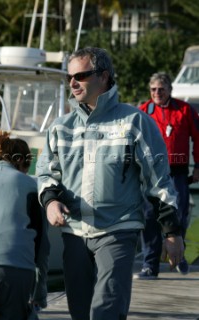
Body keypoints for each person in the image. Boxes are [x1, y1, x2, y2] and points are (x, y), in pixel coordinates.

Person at [36, 47, 184, 320]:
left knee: (106, 310)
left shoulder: (135, 122)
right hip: (74, 234)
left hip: (118, 230)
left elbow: (159, 182)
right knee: (80, 312)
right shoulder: (59, 127)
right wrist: (50, 201)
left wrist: (172, 233)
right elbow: (47, 175)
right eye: (70, 76)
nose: (72, 82)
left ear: (104, 77)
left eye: (80, 75)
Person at [134, 72, 199, 279]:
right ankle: (149, 265)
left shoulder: (185, 110)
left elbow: (198, 139)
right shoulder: (143, 111)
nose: (157, 93)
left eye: (161, 89)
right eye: (153, 89)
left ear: (170, 90)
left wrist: (198, 165)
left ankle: (178, 256)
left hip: (176, 173)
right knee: (149, 217)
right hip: (149, 175)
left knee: (178, 214)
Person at [0, 130, 49, 320]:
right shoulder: (30, 185)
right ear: (21, 161)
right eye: (27, 165)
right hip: (15, 264)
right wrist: (40, 292)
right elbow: (41, 245)